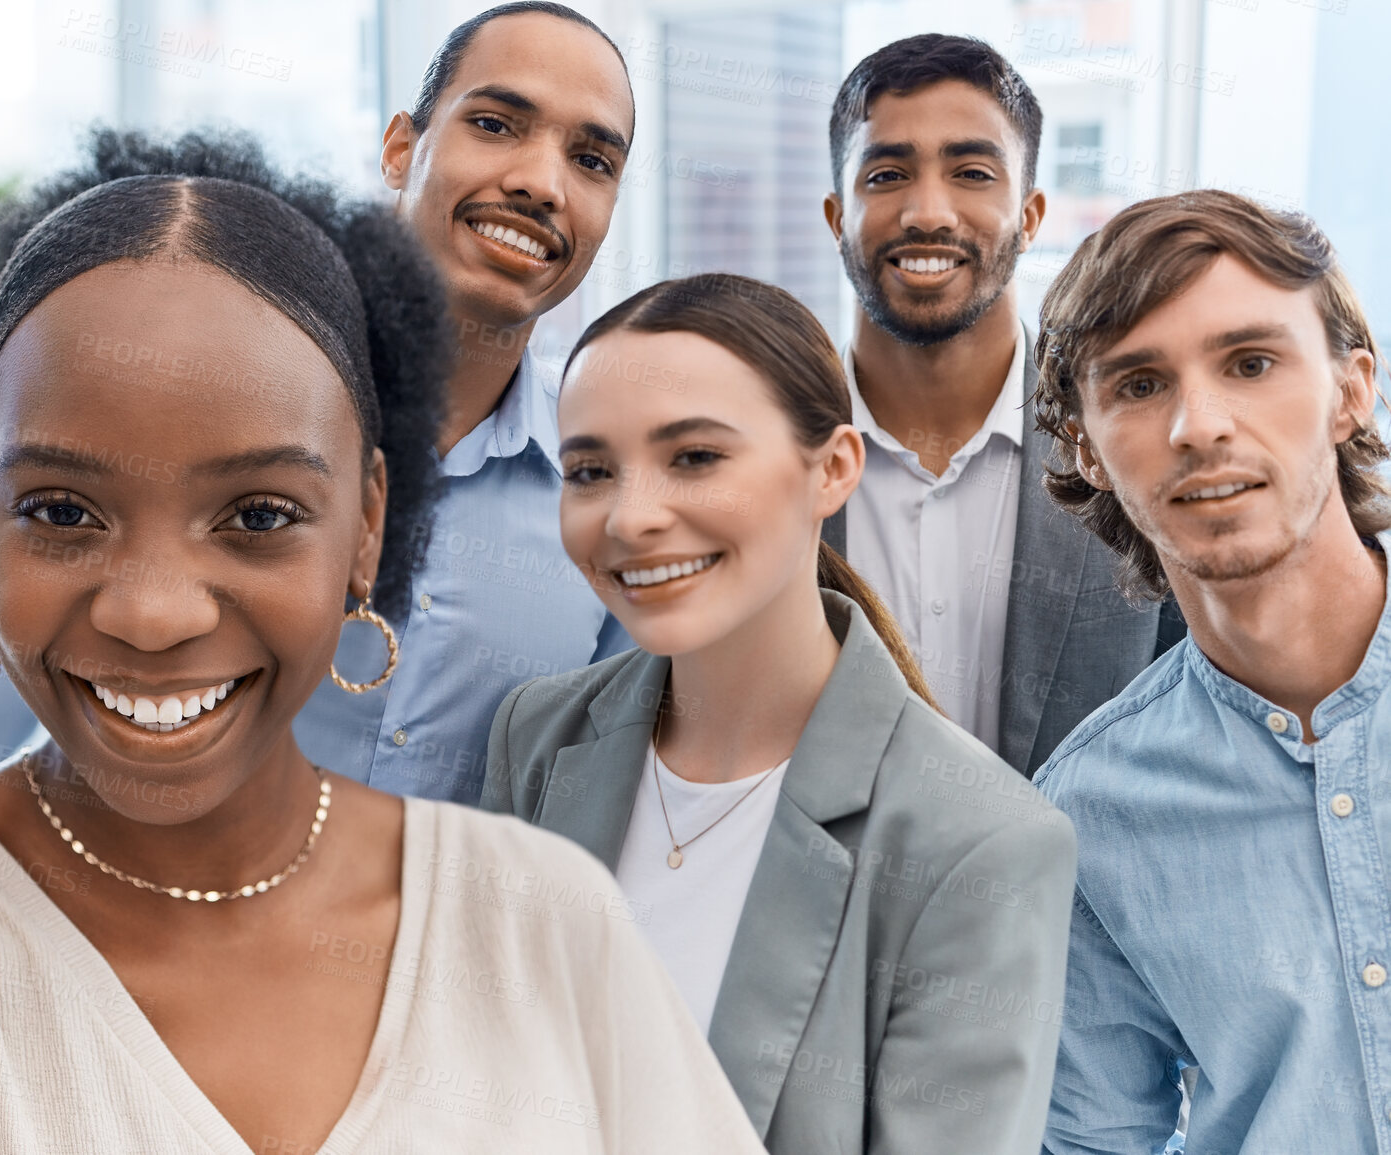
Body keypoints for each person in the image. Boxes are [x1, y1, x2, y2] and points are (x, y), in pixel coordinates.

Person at [0, 131, 766, 1155]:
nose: (152, 613)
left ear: (366, 528)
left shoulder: (539, 918)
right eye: (60, 511)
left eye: (258, 516)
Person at [0, 0, 637, 806]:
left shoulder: (614, 491)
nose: (540, 183)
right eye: (495, 124)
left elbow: (617, 796)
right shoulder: (142, 384)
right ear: (402, 148)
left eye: (591, 161)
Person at [482, 272, 1076, 1154]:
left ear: (833, 469)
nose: (632, 516)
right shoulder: (537, 736)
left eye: (694, 457)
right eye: (589, 471)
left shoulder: (981, 841)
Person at [1030, 191, 1391, 1153]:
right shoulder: (1087, 813)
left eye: (1251, 362)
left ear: (1351, 390)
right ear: (1084, 446)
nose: (1199, 424)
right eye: (1139, 385)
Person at [822, 34, 1183, 774]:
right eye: (886, 174)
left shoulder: (1138, 450)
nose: (927, 212)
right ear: (836, 218)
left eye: (971, 172)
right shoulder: (757, 455)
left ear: (1028, 214)